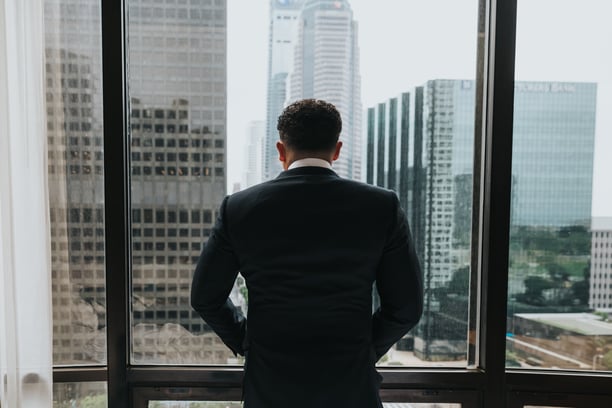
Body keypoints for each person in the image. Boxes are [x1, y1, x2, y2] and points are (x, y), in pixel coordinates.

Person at [191, 99, 423, 408]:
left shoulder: (239, 208)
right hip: (351, 390)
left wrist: (248, 341)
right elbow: (406, 306)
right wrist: (365, 348)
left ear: (280, 150)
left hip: (270, 390)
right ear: (337, 149)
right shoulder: (381, 206)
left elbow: (205, 297)